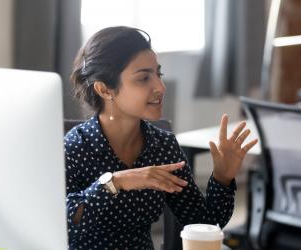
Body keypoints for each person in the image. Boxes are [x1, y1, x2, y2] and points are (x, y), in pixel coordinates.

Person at [64, 26, 258, 249]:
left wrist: (223, 178)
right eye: (144, 78)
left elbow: (204, 224)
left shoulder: (162, 147)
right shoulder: (76, 146)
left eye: (158, 74)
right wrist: (116, 182)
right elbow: (64, 224)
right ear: (105, 89)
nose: (160, 86)